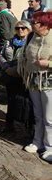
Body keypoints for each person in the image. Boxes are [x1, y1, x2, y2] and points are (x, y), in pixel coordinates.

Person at [18, 12, 52, 163]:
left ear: (45, 24)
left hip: (49, 82)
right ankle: (37, 142)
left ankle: (49, 147)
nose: (32, 25)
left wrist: (48, 64)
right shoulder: (32, 37)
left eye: (35, 23)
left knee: (49, 118)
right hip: (33, 80)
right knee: (38, 115)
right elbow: (25, 55)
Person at [0, 20, 31, 133]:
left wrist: (15, 70)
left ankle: (27, 127)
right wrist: (6, 67)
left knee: (25, 102)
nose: (20, 30)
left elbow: (28, 60)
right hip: (9, 75)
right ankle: (9, 125)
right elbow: (1, 55)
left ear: (28, 29)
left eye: (23, 28)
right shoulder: (10, 42)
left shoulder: (30, 42)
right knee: (11, 101)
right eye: (17, 28)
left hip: (23, 76)